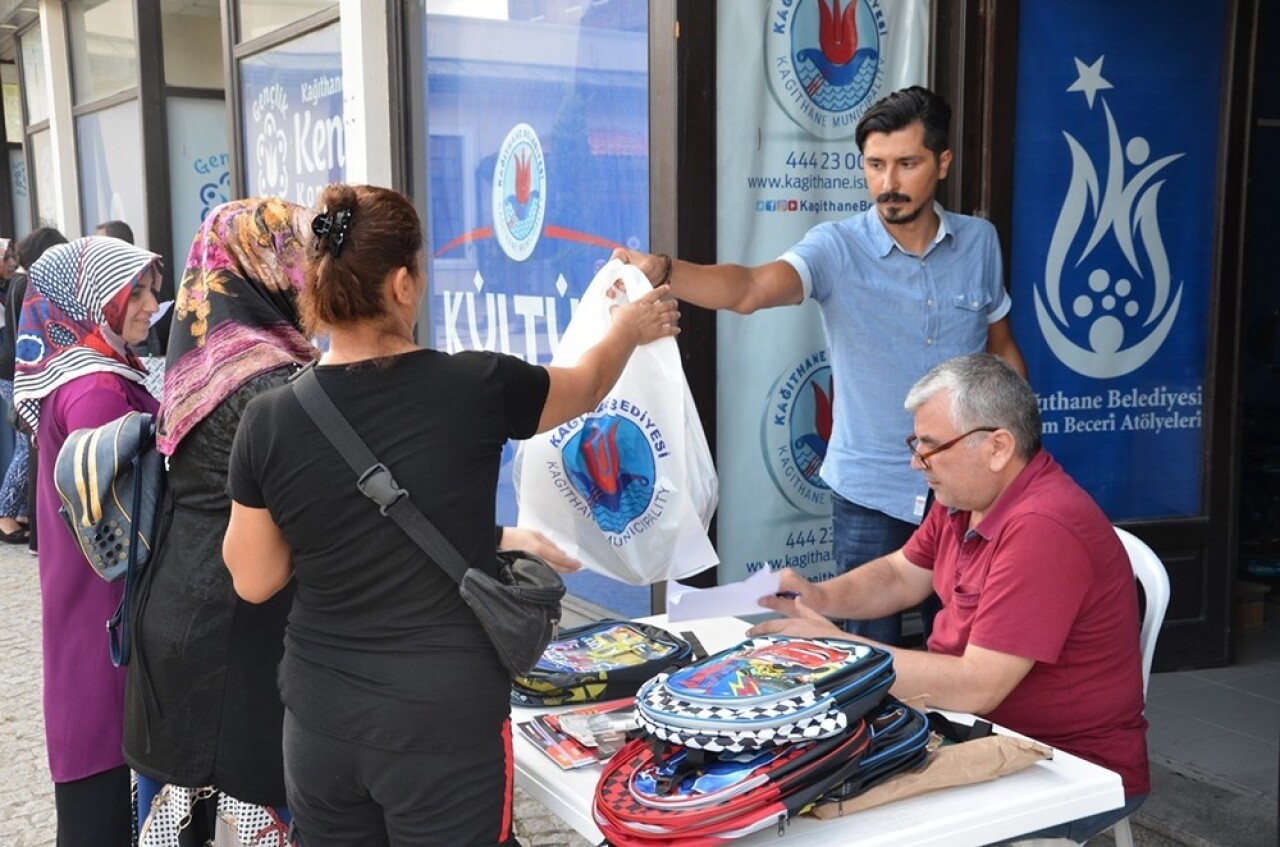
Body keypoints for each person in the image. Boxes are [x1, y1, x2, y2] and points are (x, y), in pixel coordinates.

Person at [222, 183, 677, 846]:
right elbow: (585, 386)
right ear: (403, 284)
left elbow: (254, 578)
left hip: (322, 718)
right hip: (443, 720)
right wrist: (628, 328)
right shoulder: (477, 385)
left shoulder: (268, 418)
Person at [613, 86, 1025, 645]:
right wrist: (664, 269)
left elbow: (1000, 347)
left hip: (967, 488)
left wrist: (1021, 454)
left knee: (963, 644)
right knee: (860, 653)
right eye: (875, 165)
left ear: (942, 163)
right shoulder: (837, 247)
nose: (889, 183)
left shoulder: (980, 242)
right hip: (870, 494)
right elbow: (751, 288)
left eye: (907, 164)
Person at [751, 353, 1149, 842]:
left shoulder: (1043, 527)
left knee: (837, 819)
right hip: (964, 727)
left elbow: (976, 685)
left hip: (1061, 765)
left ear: (998, 447)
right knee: (795, 783)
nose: (917, 462)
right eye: (916, 443)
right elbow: (901, 575)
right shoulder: (967, 498)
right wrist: (819, 596)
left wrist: (840, 653)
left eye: (931, 447)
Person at [14, 236, 163, 847]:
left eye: (151, 289)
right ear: (91, 298)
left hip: (87, 617)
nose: (152, 304)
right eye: (136, 291)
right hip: (112, 625)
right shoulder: (95, 388)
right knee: (104, 803)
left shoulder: (82, 367)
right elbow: (124, 516)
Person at [1, 227, 69, 556]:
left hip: (23, 371)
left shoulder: (19, 283)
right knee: (29, 448)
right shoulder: (27, 284)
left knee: (31, 447)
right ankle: (7, 515)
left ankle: (25, 520)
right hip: (29, 373)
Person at [0, 236, 24, 542]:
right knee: (23, 446)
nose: (11, 263)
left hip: (14, 367)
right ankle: (5, 514)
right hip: (10, 370)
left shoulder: (11, 287)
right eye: (6, 258)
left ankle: (14, 511)